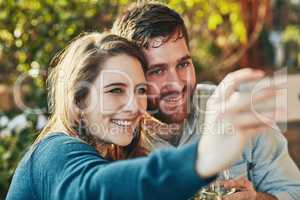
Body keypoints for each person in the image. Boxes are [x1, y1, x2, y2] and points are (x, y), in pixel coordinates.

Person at [6, 32, 263, 200]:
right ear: (79, 100)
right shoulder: (54, 152)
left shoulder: (114, 154)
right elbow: (93, 189)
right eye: (115, 90)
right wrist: (203, 157)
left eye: (140, 90)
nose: (134, 106)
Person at [112, 2, 300, 200]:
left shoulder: (235, 109)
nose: (177, 84)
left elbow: (294, 191)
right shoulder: (118, 141)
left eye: (183, 64)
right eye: (157, 71)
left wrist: (255, 199)